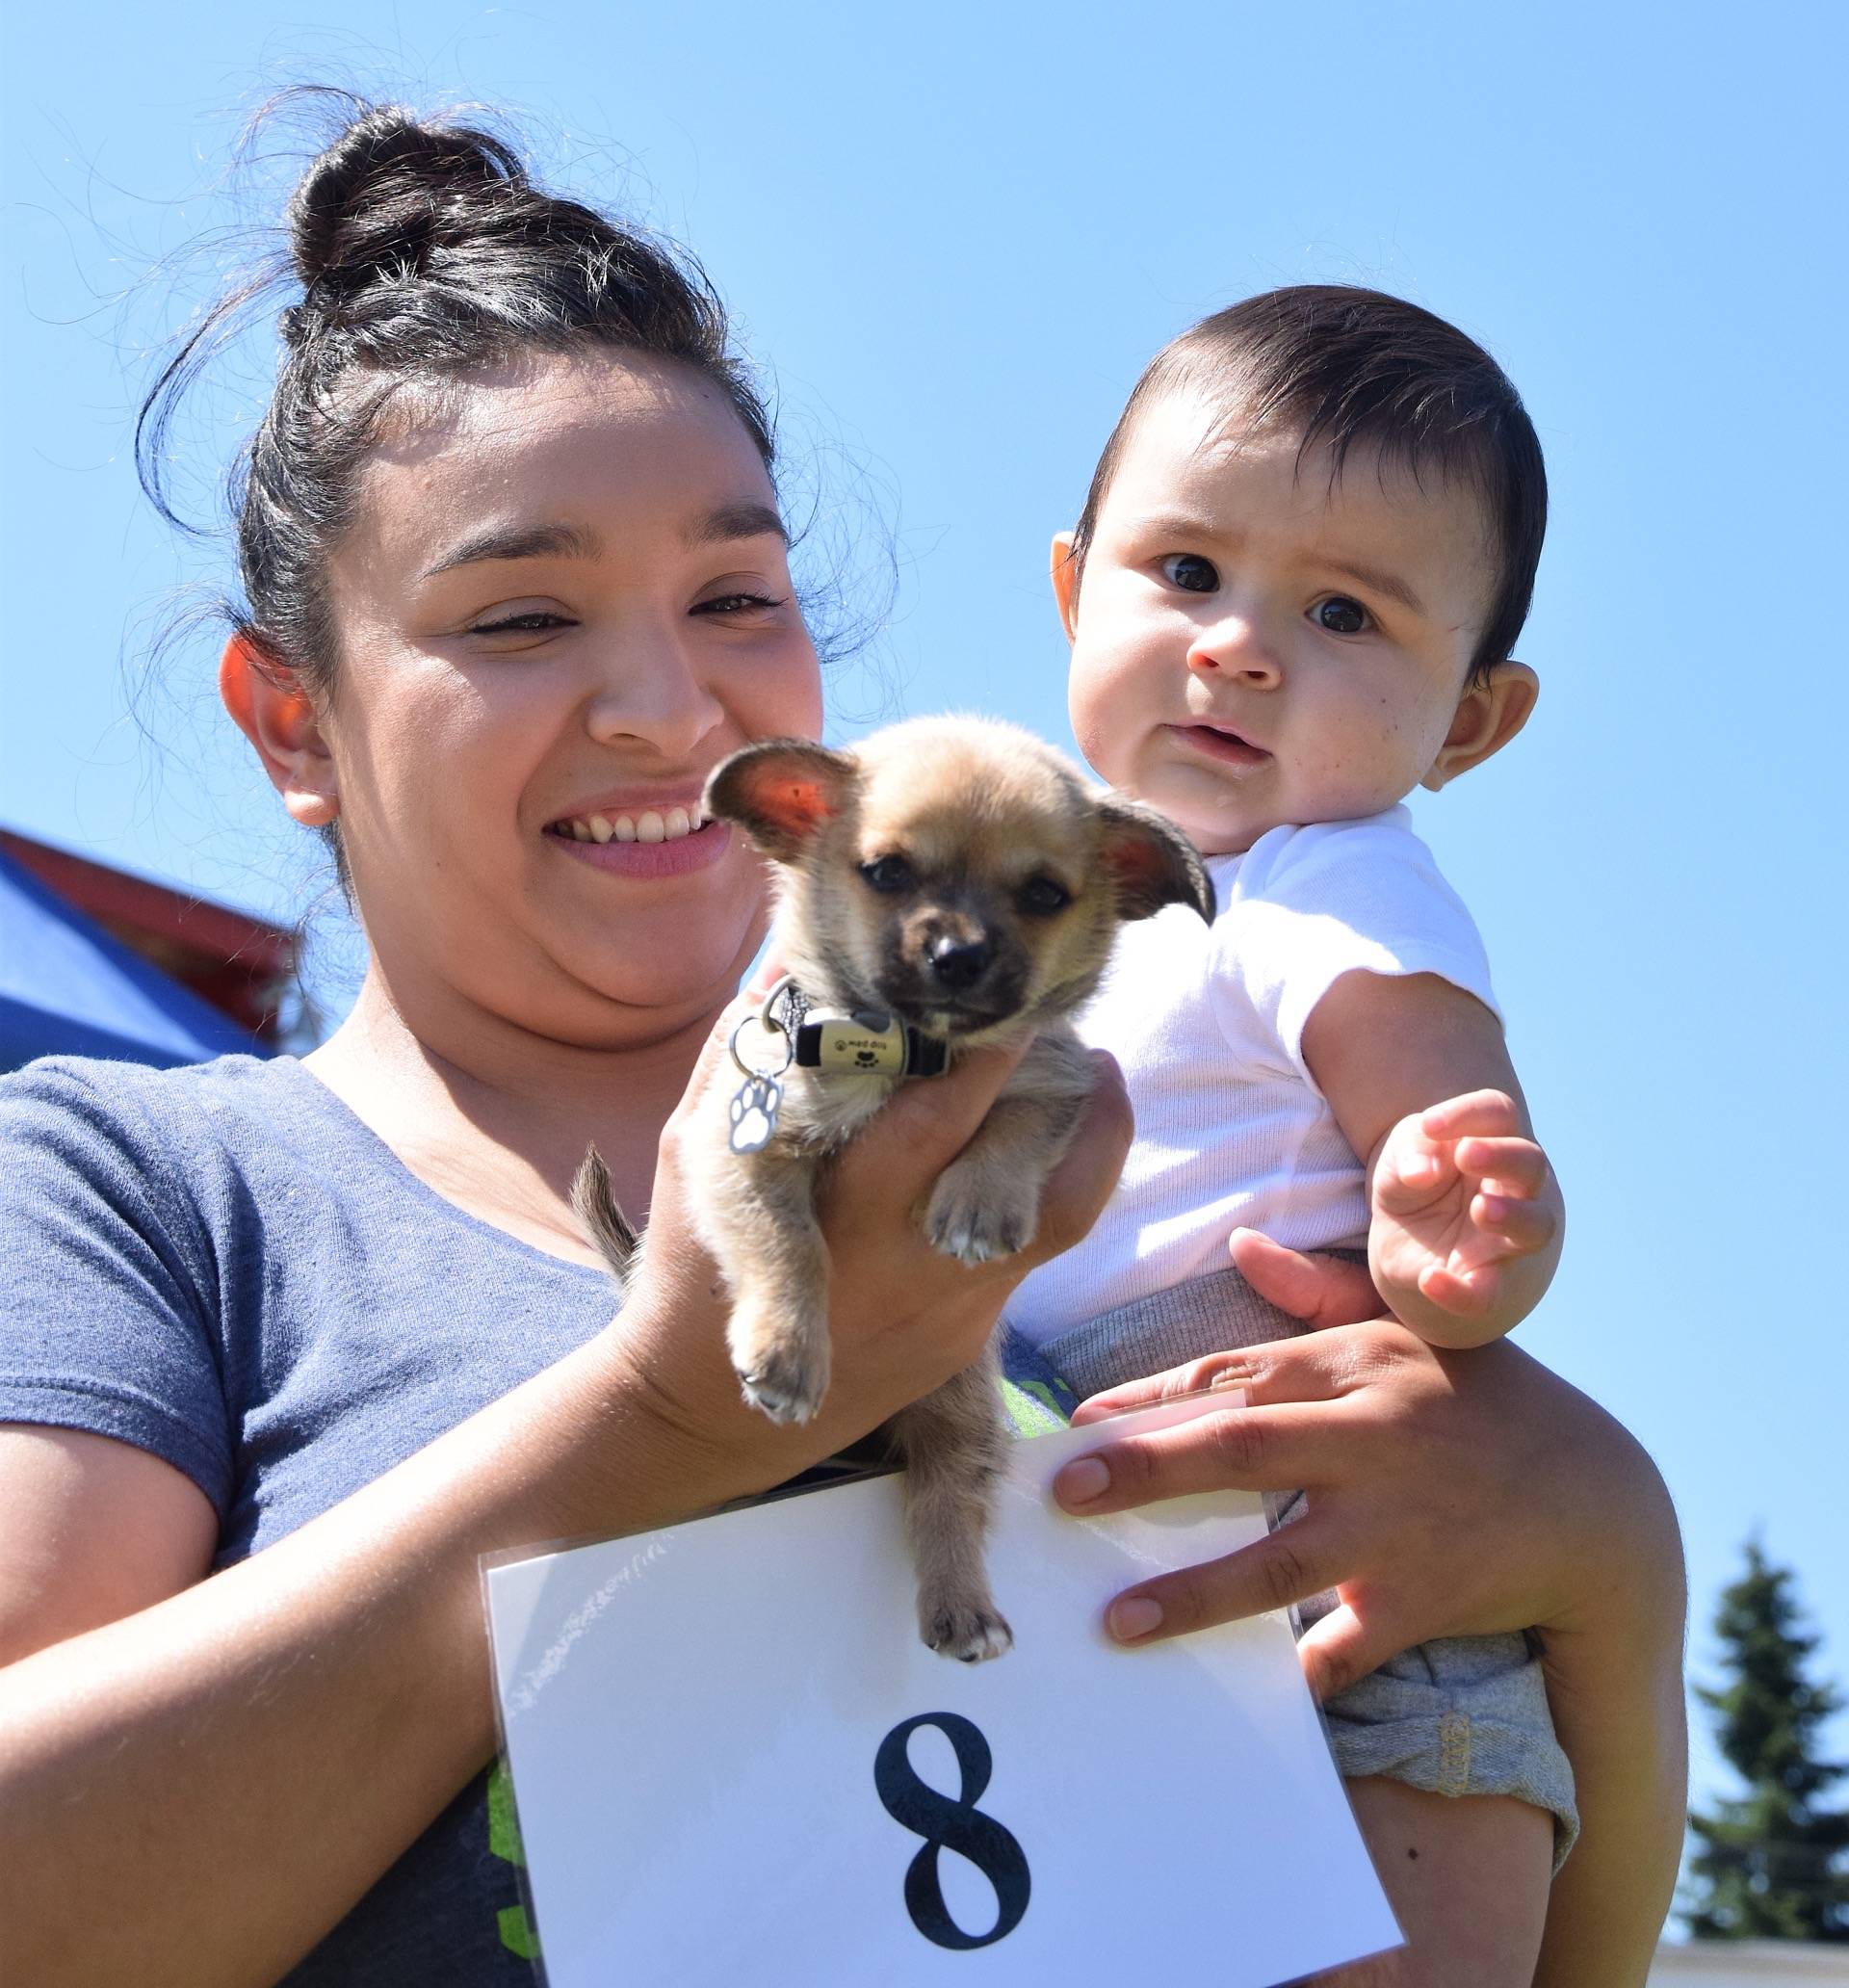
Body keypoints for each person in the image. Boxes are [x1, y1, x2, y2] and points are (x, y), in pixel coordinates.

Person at [0, 100, 1683, 1988]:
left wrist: (1612, 1557)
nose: (660, 704)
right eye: (525, 613)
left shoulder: (1077, 1155)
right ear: (293, 721)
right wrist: (664, 1421)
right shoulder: (137, 1190)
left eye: (736, 595)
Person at [1002, 287, 1580, 1977]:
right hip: (1140, 1566)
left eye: (1342, 614)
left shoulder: (1324, 876)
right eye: (1186, 574)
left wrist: (1451, 1231)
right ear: (1070, 589)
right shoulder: (1047, 918)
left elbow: (1448, 1156)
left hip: (1367, 1615)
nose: (1240, 646)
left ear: (1465, 719)